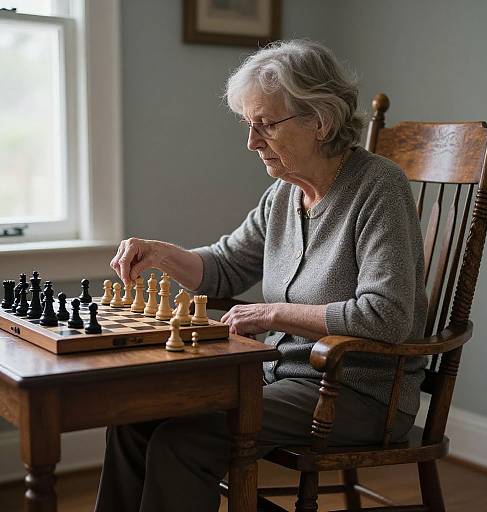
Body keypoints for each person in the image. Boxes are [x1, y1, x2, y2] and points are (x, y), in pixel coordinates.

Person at [95, 39, 427, 512]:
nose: (252, 141)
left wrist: (273, 312)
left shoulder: (379, 187)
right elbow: (225, 268)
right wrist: (160, 254)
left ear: (320, 120)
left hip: (357, 390)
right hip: (277, 376)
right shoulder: (283, 195)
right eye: (248, 125)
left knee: (184, 442)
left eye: (266, 125)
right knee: (132, 420)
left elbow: (386, 316)